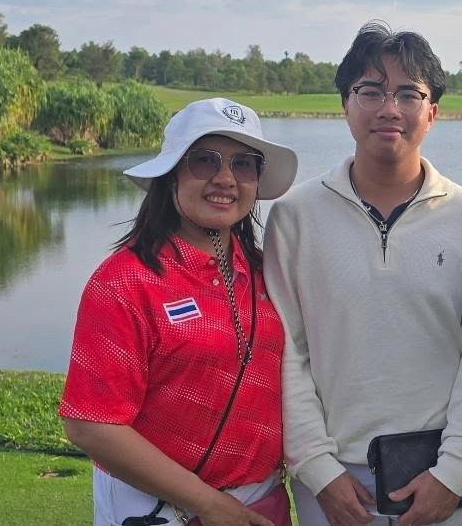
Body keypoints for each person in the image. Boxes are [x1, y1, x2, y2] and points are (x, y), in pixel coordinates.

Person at [263, 21, 462, 526]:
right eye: (370, 91)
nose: (388, 108)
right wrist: (316, 468)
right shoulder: (295, 216)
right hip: (334, 481)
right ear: (345, 105)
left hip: (438, 477)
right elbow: (287, 352)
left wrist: (455, 471)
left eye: (408, 93)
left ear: (433, 112)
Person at [60, 98, 298, 526]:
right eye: (205, 161)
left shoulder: (269, 270)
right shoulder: (123, 282)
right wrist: (208, 504)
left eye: (244, 164)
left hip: (260, 503)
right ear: (171, 174)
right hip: (152, 507)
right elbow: (91, 424)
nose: (225, 178)